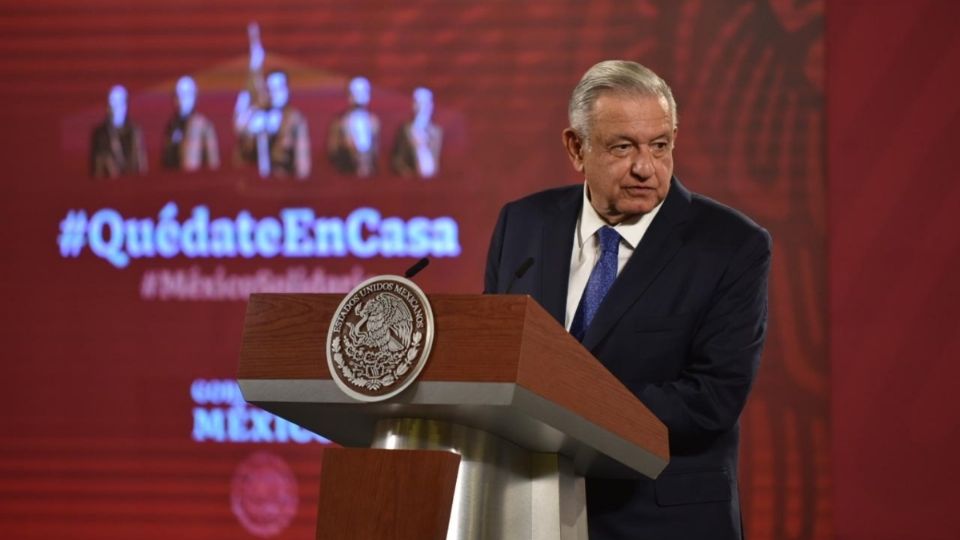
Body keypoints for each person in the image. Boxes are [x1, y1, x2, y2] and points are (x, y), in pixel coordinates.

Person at [484, 60, 771, 539]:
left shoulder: (731, 245)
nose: (645, 167)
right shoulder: (523, 224)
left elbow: (712, 398)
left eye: (660, 146)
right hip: (532, 513)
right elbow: (494, 360)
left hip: (663, 519)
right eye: (623, 147)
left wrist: (569, 410)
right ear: (576, 148)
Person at [233, 24, 310, 179]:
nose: (275, 93)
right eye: (271, 89)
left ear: (287, 90)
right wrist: (252, 72)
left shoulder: (295, 119)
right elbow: (238, 125)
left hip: (286, 188)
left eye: (279, 88)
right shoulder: (258, 115)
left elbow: (302, 163)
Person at [161, 75, 220, 171]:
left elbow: (212, 163)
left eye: (185, 95)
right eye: (178, 95)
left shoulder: (204, 126)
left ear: (194, 96)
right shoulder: (171, 125)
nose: (181, 100)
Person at [90, 84, 147, 178]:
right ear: (108, 107)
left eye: (120, 103)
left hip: (132, 184)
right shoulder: (100, 134)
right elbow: (96, 170)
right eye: (113, 103)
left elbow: (141, 164)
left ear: (126, 106)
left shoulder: (134, 131)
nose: (117, 108)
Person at [327, 76, 380, 177]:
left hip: (370, 176)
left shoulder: (374, 121)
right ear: (349, 95)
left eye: (363, 91)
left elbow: (375, 152)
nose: (359, 96)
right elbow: (333, 150)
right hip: (346, 174)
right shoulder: (339, 122)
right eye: (355, 92)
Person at [391, 86, 442, 178]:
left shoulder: (436, 132)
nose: (421, 108)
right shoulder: (405, 130)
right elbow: (397, 160)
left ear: (430, 106)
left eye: (424, 104)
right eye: (418, 103)